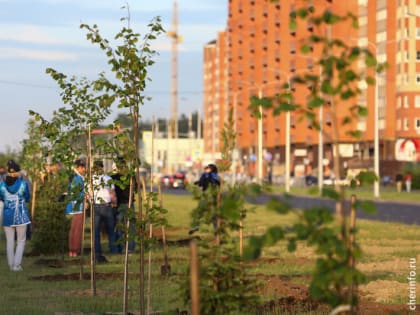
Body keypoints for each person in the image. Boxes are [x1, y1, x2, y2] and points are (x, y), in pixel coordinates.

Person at [0, 160, 31, 271]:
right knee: (21, 241)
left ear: (8, 172)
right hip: (21, 216)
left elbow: (2, 198)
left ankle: (10, 264)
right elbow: (27, 198)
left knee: (9, 242)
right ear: (18, 172)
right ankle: (17, 265)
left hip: (7, 216)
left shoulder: (2, 186)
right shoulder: (23, 185)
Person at [92, 160, 118, 262]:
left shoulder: (90, 179)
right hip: (107, 206)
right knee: (111, 230)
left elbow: (88, 193)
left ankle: (97, 251)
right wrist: (114, 203)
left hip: (96, 206)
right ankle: (113, 249)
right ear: (102, 168)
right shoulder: (108, 178)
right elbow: (112, 193)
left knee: (96, 232)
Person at [111, 157, 135, 253]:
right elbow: (136, 189)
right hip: (129, 203)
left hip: (119, 205)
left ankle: (121, 247)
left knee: (119, 227)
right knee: (130, 227)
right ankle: (130, 248)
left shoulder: (114, 178)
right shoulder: (131, 176)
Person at [65, 159, 86, 257]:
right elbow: (79, 193)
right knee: (77, 228)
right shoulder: (78, 178)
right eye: (82, 167)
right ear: (78, 167)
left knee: (73, 228)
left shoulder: (73, 177)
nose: (84, 169)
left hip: (72, 206)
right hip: (78, 206)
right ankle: (75, 250)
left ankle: (72, 250)